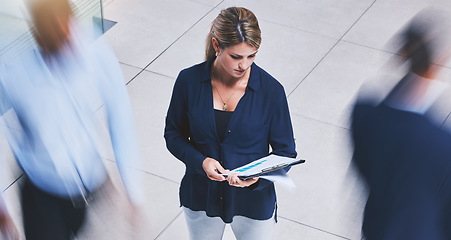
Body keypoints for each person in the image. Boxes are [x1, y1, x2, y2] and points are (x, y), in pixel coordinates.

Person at [0, 0, 143, 239]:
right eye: (55, 37)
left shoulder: (94, 50)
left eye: (68, 31)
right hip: (42, 194)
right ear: (37, 33)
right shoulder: (15, 72)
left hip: (90, 184)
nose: (66, 44)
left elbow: (119, 113)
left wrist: (132, 187)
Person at [164, 6, 297, 240]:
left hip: (254, 203)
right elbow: (173, 134)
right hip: (201, 197)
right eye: (236, 57)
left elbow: (286, 153)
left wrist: (258, 177)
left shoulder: (272, 92)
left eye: (251, 56)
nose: (244, 65)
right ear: (217, 46)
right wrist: (201, 161)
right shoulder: (189, 81)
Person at [351, 10, 451, 240]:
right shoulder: (443, 143)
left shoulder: (364, 113)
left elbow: (362, 167)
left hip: (376, 228)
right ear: (437, 61)